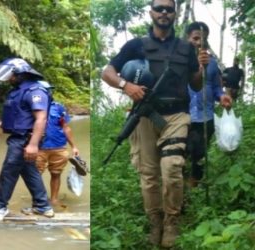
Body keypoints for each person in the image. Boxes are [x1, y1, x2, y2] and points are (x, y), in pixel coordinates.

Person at [101, 0, 209, 247]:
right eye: (159, 8)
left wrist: (202, 67)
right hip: (145, 115)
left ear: (174, 13)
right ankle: (155, 221)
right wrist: (126, 86)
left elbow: (196, 85)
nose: (163, 13)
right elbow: (108, 72)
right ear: (151, 12)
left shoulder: (185, 48)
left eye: (168, 9)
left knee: (172, 167)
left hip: (177, 115)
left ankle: (172, 220)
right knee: (149, 175)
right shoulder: (136, 45)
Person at [0, 58, 54, 223]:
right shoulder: (18, 91)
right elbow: (20, 116)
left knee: (8, 172)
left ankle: (0, 207)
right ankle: (43, 206)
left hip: (25, 139)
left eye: (11, 75)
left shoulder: (35, 91)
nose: (9, 79)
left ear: (20, 74)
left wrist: (33, 144)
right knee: (29, 171)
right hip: (20, 137)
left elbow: (40, 119)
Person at [185, 22, 232, 187]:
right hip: (184, 116)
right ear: (187, 38)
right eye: (195, 38)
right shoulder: (180, 60)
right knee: (183, 153)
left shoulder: (212, 63)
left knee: (199, 153)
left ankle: (194, 185)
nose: (199, 42)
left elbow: (217, 87)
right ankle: (180, 189)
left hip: (206, 116)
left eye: (203, 39)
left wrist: (222, 97)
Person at [35, 81, 79, 207]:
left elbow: (66, 127)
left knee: (56, 173)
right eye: (46, 90)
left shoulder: (58, 107)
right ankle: (39, 200)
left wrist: (74, 146)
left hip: (58, 147)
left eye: (49, 90)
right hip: (39, 148)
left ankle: (54, 199)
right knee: (35, 175)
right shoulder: (33, 107)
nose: (49, 93)